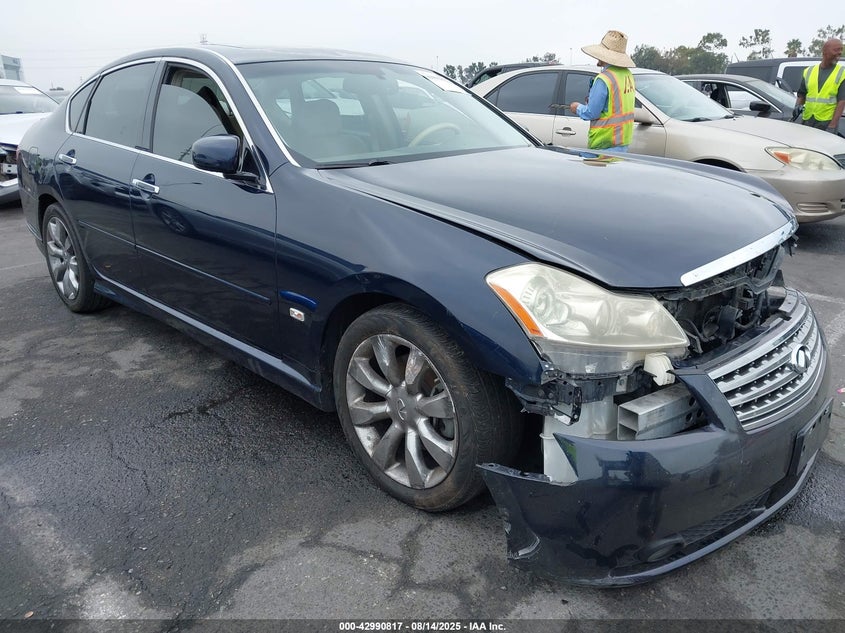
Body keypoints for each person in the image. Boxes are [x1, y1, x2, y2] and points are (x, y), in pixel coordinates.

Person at [569, 30, 636, 151]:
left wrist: (577, 107)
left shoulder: (604, 78)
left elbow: (592, 112)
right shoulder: (628, 75)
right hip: (622, 142)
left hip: (604, 142)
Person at [794, 38, 844, 134]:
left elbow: (842, 102)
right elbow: (802, 95)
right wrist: (797, 107)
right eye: (836, 50)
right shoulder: (809, 71)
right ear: (825, 51)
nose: (840, 53)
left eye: (841, 50)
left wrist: (832, 126)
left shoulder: (842, 73)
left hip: (826, 123)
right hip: (807, 120)